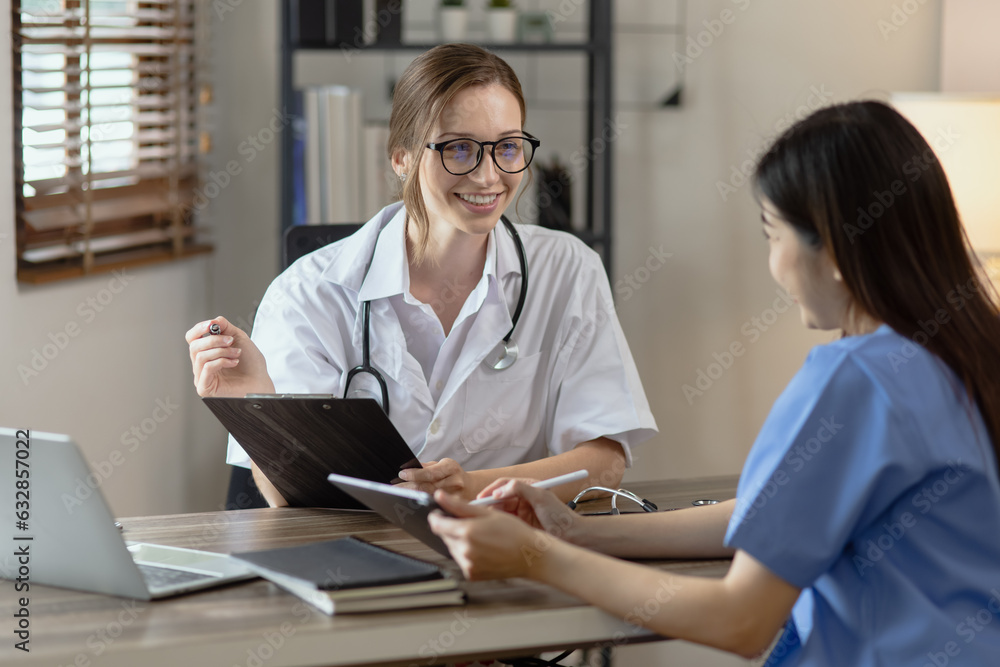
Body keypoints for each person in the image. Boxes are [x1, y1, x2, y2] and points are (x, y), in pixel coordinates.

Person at [427, 100, 1000, 664]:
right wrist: (576, 533)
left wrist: (536, 558)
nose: (774, 264)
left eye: (774, 234)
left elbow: (741, 620)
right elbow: (773, 514)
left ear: (835, 249)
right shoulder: (965, 354)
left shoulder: (857, 380)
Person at [185, 44, 656, 507]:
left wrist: (470, 487)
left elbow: (604, 460)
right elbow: (291, 498)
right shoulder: (307, 295)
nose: (489, 175)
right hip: (361, 561)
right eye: (459, 149)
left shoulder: (567, 270)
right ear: (402, 158)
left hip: (507, 554)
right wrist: (256, 406)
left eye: (508, 147)